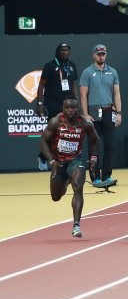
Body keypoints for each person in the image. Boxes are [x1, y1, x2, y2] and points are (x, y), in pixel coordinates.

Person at [39, 98, 101, 238]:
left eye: (73, 108)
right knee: (56, 196)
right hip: (58, 161)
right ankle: (67, 180)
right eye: (67, 108)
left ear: (78, 108)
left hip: (75, 159)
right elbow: (43, 141)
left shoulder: (85, 123)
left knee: (78, 186)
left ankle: (76, 225)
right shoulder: (56, 121)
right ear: (63, 108)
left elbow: (95, 140)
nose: (70, 110)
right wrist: (51, 161)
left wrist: (93, 158)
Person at [79, 44, 122, 188]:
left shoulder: (113, 72)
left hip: (108, 110)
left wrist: (119, 113)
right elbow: (83, 95)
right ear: (93, 55)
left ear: (106, 55)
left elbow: (116, 93)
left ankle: (107, 175)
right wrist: (85, 114)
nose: (101, 56)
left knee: (109, 145)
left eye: (103, 54)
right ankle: (95, 176)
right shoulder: (87, 72)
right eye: (98, 54)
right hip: (93, 111)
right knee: (93, 146)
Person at [35, 43, 80, 171]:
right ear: (57, 51)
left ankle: (59, 158)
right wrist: (39, 104)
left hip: (68, 104)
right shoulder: (50, 66)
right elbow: (41, 85)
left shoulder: (71, 66)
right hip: (53, 103)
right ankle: (43, 156)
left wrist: (76, 102)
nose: (64, 52)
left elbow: (72, 85)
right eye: (62, 50)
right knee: (54, 130)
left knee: (66, 132)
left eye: (67, 50)